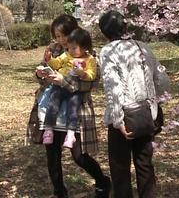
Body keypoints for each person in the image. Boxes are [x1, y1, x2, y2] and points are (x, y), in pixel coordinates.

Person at [27, 14, 111, 198]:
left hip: (75, 110)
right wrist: (41, 74)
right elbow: (44, 71)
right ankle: (59, 192)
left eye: (64, 35)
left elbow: (89, 83)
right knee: (52, 153)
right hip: (53, 107)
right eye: (57, 36)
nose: (61, 40)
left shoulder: (87, 52)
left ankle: (103, 181)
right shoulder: (53, 49)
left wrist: (63, 81)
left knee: (78, 155)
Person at [98, 10, 168, 198]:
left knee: (120, 168)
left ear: (104, 32)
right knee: (145, 164)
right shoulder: (142, 46)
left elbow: (113, 89)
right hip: (147, 114)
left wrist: (118, 121)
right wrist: (154, 102)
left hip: (124, 117)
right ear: (125, 27)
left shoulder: (107, 51)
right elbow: (162, 79)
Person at [43, 28, 97, 149]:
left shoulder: (90, 59)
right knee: (53, 104)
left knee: (73, 110)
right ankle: (48, 129)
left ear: (84, 48)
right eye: (69, 48)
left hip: (75, 90)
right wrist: (50, 60)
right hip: (60, 86)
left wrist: (83, 74)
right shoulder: (67, 55)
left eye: (74, 48)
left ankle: (71, 133)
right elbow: (57, 63)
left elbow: (92, 75)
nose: (70, 51)